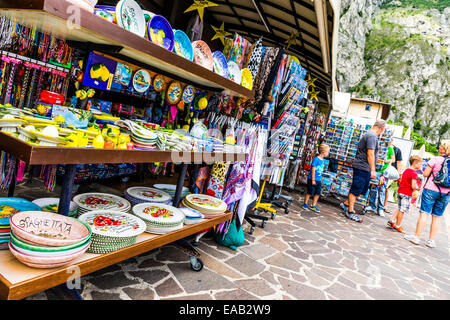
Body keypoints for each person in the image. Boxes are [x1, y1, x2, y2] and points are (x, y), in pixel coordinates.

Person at [404, 140, 450, 248]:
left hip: (431, 189)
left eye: (441, 146)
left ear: (444, 149)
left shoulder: (436, 159)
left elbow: (425, 174)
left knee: (424, 213)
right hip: (446, 193)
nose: (439, 148)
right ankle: (431, 241)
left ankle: (416, 237)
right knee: (437, 216)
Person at [340, 119, 386, 222]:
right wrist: (373, 170)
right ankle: (350, 211)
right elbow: (370, 153)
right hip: (362, 166)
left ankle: (346, 203)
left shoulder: (370, 135)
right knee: (356, 188)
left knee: (362, 189)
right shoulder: (372, 136)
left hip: (365, 167)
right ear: (382, 128)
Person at [387, 155, 423, 233]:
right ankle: (398, 225)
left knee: (400, 207)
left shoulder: (406, 170)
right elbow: (413, 186)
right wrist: (417, 188)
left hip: (401, 191)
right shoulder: (414, 174)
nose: (421, 166)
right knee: (402, 210)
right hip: (406, 193)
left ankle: (392, 220)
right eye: (420, 164)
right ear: (415, 163)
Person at [366, 138, 395, 216]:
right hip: (376, 171)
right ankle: (372, 206)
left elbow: (393, 159)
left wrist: (386, 160)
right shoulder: (377, 146)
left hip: (384, 173)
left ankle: (380, 209)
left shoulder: (390, 149)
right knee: (373, 189)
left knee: (382, 190)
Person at [303, 143, 330, 213]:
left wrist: (320, 179)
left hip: (318, 180)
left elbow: (321, 171)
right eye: (327, 152)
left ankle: (313, 205)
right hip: (312, 179)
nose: (328, 153)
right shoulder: (316, 159)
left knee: (317, 193)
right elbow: (313, 170)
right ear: (323, 152)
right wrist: (313, 179)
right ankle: (305, 203)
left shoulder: (323, 160)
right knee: (310, 192)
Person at [385, 141, 403, 212]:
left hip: (391, 172)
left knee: (386, 188)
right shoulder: (384, 147)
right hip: (383, 169)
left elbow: (399, 162)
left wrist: (398, 174)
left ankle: (385, 205)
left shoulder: (397, 150)